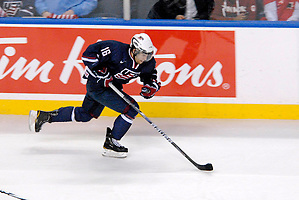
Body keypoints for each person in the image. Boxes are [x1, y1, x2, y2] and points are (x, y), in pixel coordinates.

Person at [29, 33, 161, 158]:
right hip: (97, 86)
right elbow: (88, 54)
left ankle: (44, 116)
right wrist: (99, 70)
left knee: (86, 115)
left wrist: (151, 86)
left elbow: (150, 75)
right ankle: (112, 144)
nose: (145, 59)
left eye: (148, 55)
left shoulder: (147, 63)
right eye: (143, 54)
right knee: (131, 109)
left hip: (111, 88)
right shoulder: (115, 49)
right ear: (134, 50)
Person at [147, 0, 215, 20]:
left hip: (193, 25)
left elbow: (209, 7)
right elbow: (164, 6)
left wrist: (200, 18)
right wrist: (175, 16)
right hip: (164, 21)